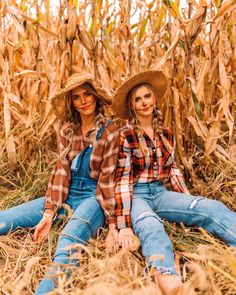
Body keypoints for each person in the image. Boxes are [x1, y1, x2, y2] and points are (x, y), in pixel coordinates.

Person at [112, 69, 236, 295]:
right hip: (136, 194)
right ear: (132, 106)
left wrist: (188, 202)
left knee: (210, 207)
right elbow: (122, 180)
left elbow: (173, 170)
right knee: (150, 225)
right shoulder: (126, 135)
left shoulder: (165, 133)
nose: (143, 103)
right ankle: (167, 277)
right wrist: (124, 226)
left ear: (154, 98)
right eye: (137, 100)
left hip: (160, 193)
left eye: (147, 96)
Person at [0, 71, 119, 294]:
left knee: (67, 243)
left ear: (95, 96)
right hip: (66, 193)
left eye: (87, 94)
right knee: (4, 219)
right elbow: (61, 171)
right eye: (76, 97)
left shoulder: (109, 132)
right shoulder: (67, 130)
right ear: (71, 102)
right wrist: (49, 212)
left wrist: (113, 224)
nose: (83, 101)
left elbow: (108, 179)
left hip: (93, 198)